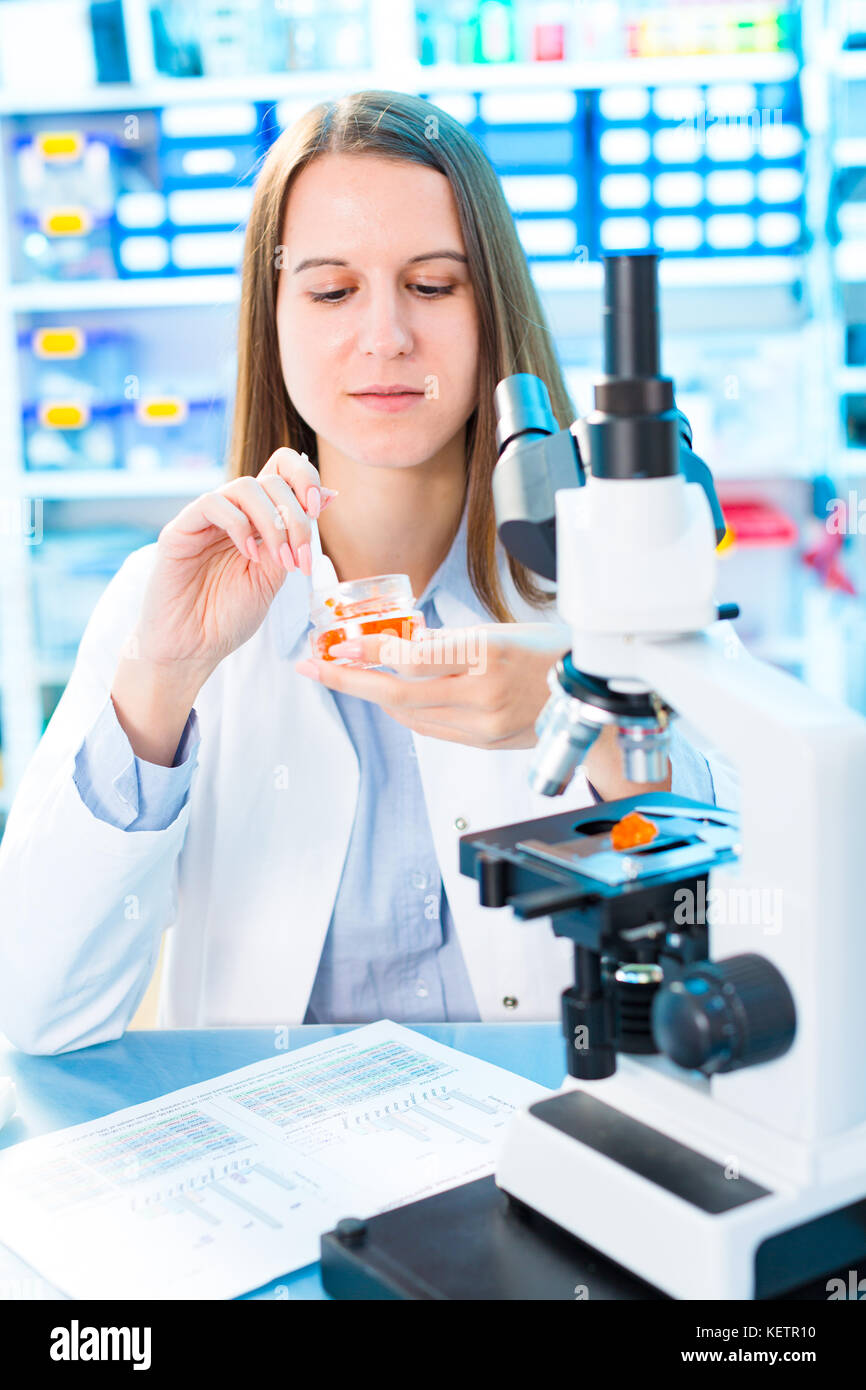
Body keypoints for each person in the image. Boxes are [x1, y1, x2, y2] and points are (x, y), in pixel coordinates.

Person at [0, 91, 731, 1054]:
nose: (384, 336)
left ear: (492, 311)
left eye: (433, 286)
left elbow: (747, 948)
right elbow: (32, 1011)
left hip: (551, 1150)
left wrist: (591, 727)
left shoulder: (614, 581)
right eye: (331, 290)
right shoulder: (163, 602)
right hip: (270, 1180)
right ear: (275, 316)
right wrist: (161, 686)